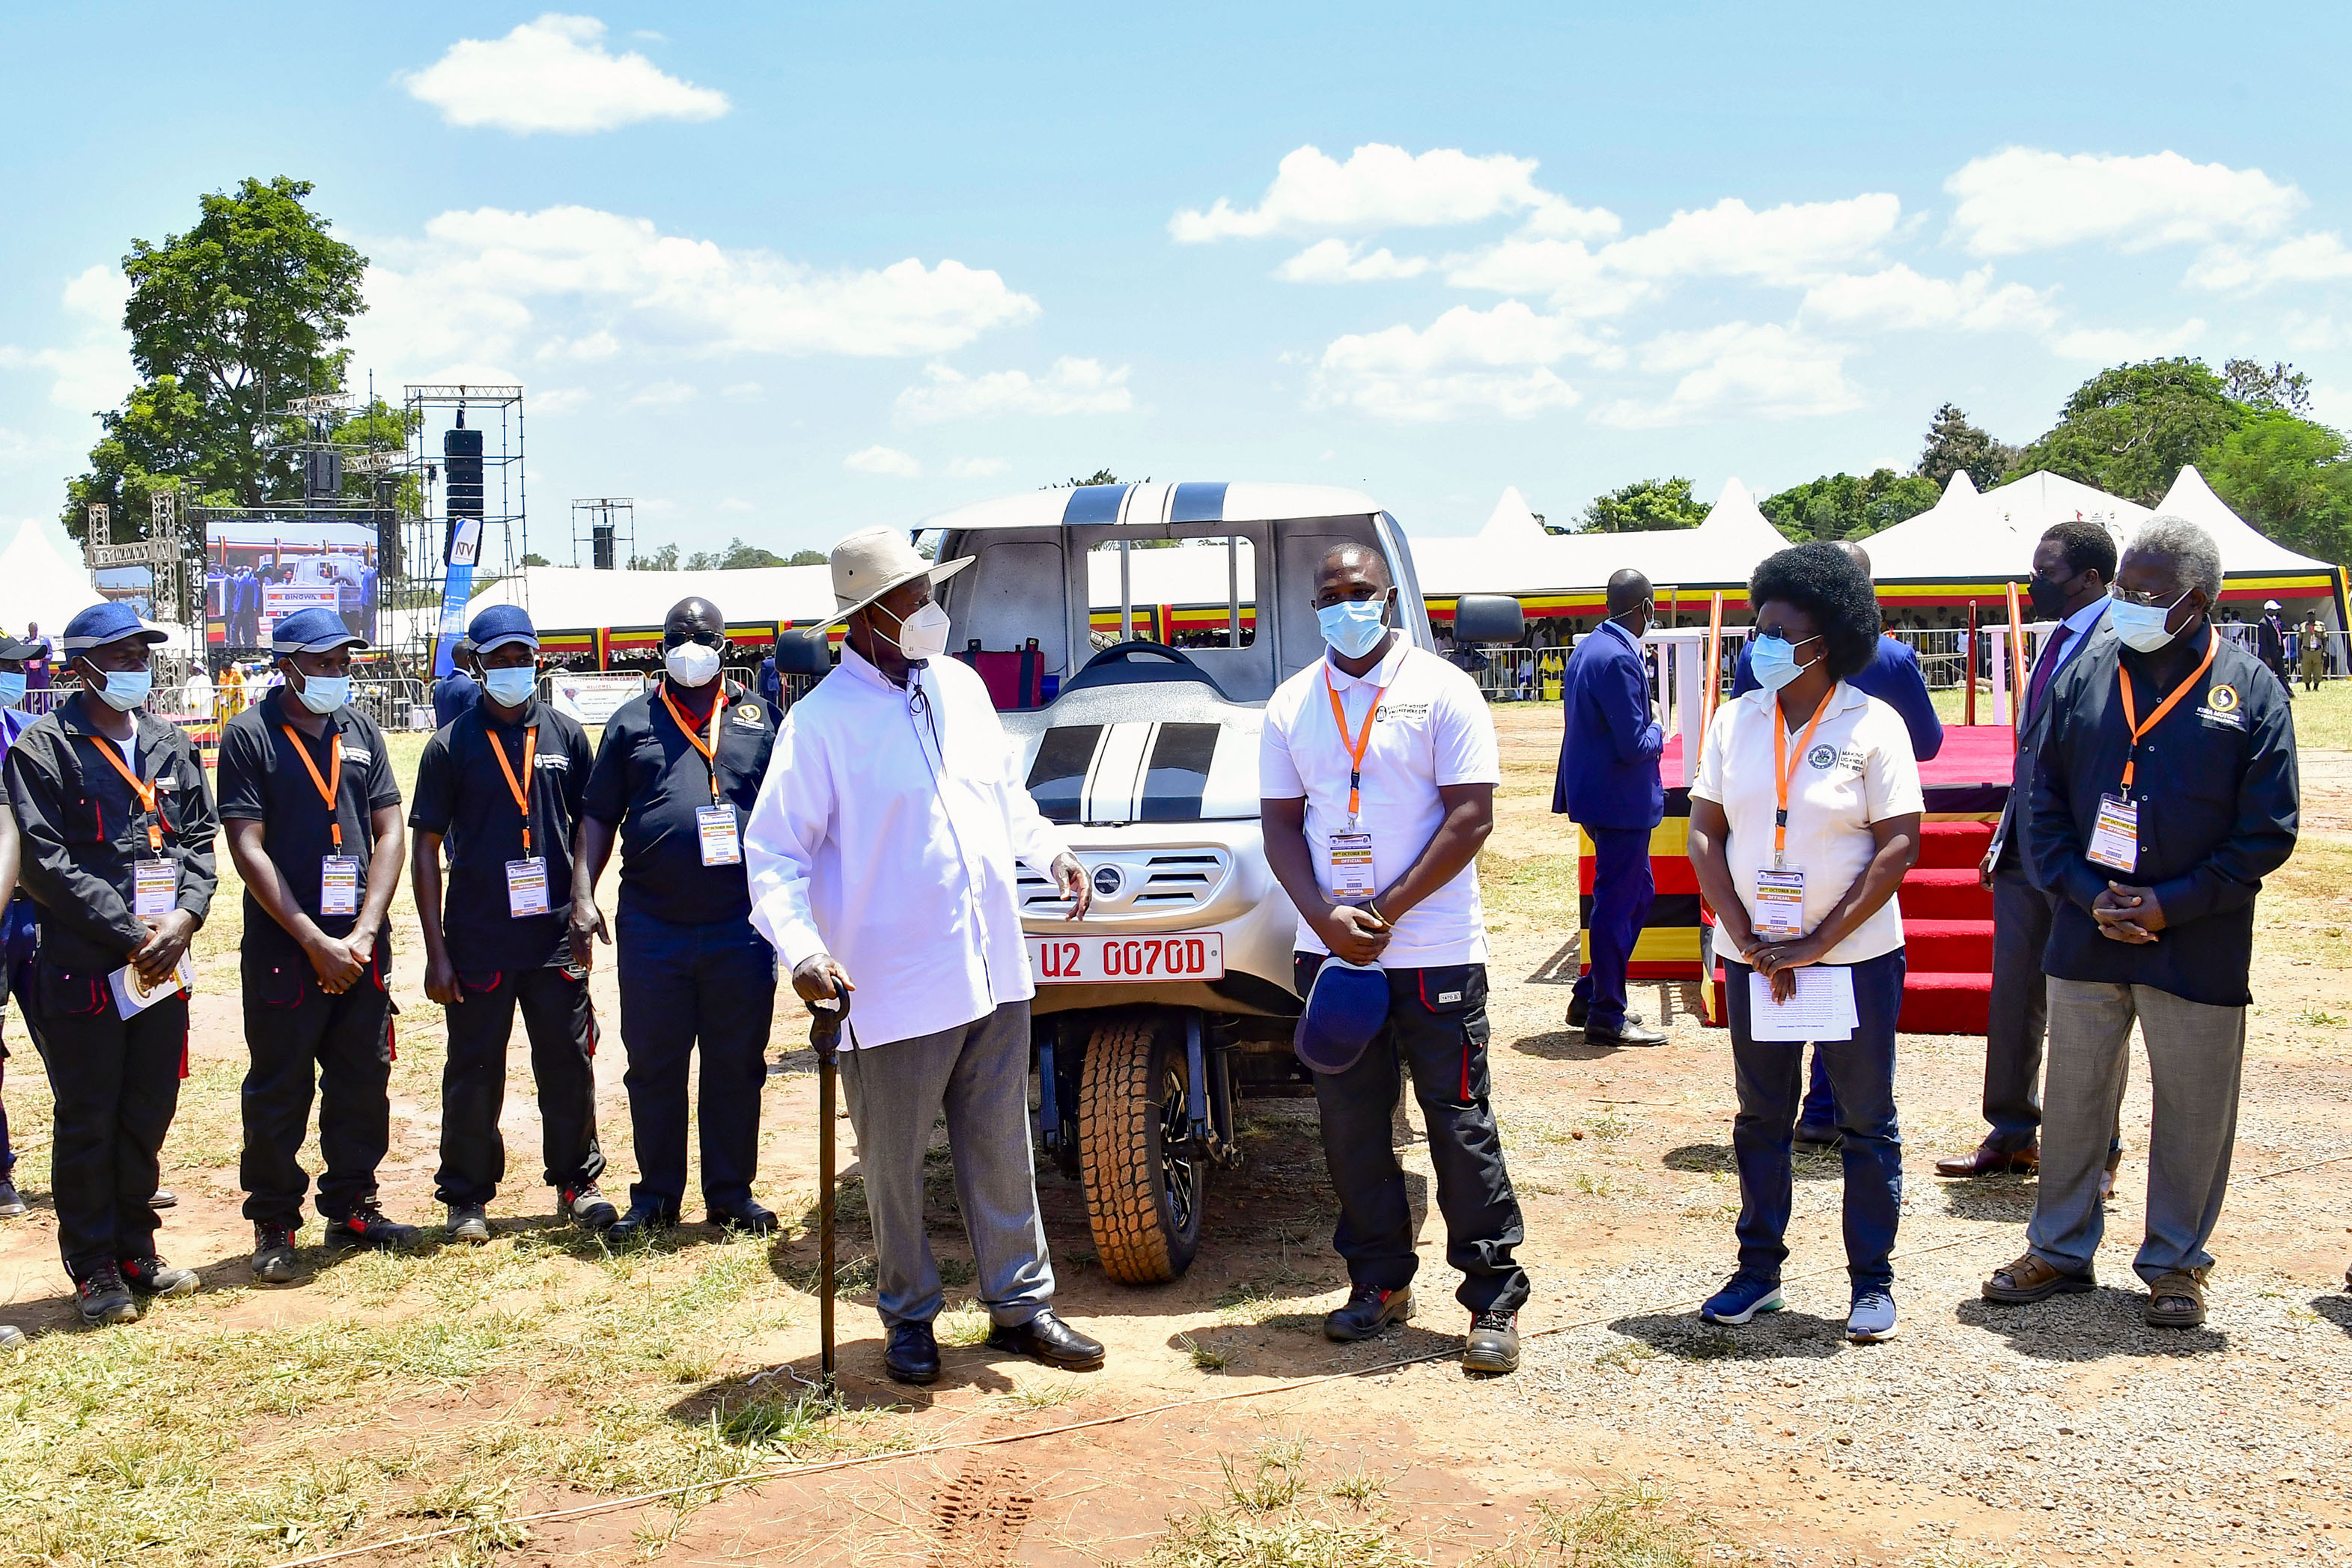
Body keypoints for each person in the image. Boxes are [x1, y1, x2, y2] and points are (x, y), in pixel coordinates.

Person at [745, 526, 1103, 1386]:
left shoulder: (962, 689)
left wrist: (1049, 849)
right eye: (913, 602)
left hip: (989, 967)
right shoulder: (820, 725)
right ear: (866, 618)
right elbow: (775, 855)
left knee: (999, 1142)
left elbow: (1004, 796)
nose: (930, 615)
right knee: (896, 1167)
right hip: (891, 984)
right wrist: (801, 951)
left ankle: (1021, 1304)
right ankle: (909, 1315)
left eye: (930, 597)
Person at [1984, 516, 2297, 1329]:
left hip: (2198, 935)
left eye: (2146, 592)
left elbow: (2267, 830)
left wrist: (2172, 902)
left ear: (2196, 602)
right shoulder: (2084, 673)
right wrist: (2087, 893)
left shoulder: (2251, 690)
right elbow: (2041, 799)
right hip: (2088, 925)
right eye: (2123, 586)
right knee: (2077, 1093)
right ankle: (2058, 1247)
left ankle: (2175, 1263)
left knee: (2194, 1106)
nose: (2126, 602)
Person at [1262, 543, 1529, 1374]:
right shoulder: (1292, 703)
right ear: (1314, 605)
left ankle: (1491, 1297)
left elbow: (1469, 819)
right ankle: (1377, 1282)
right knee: (1350, 1129)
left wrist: (1381, 909)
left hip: (1435, 952)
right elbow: (1278, 826)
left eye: (1361, 592)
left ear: (1389, 598)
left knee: (1458, 1125)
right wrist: (1325, 918)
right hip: (1333, 960)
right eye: (1331, 595)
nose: (1347, 606)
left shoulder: (1442, 691)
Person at [1686, 545, 1922, 1343]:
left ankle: (1872, 1283)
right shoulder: (1734, 718)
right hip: (1756, 961)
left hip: (1852, 962)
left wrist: (1820, 939)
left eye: (1780, 632)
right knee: (1761, 1116)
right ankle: (1758, 1273)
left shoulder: (1873, 723)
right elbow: (1703, 833)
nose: (1763, 645)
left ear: (1827, 643)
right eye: (1759, 629)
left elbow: (1896, 845)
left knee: (1865, 1120)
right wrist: (1745, 934)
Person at [3, 603, 217, 1325]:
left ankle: (137, 1249)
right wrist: (131, 932)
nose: (136, 668)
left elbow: (198, 845)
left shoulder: (168, 742)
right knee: (89, 1117)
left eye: (141, 655)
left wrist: (185, 918)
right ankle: (94, 1266)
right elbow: (43, 862)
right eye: (120, 656)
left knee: (148, 1109)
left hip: (164, 963)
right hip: (88, 966)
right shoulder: (43, 748)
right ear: (82, 666)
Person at [216, 608, 418, 1284]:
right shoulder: (250, 735)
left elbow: (389, 831)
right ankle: (275, 1221)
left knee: (363, 1077)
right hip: (285, 948)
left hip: (361, 945)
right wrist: (312, 939)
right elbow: (247, 846)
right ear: (288, 666)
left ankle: (353, 1203)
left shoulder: (360, 730)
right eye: (324, 663)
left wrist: (362, 931)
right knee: (280, 1084)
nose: (337, 674)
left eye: (343, 663)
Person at [574, 597, 782, 1239]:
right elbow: (597, 816)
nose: (691, 646)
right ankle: (656, 1196)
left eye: (703, 636)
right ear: (660, 646)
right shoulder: (631, 722)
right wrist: (584, 891)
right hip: (652, 926)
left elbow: (791, 812)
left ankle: (730, 1193)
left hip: (740, 926)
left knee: (735, 1062)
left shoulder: (758, 718)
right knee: (655, 1065)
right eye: (678, 636)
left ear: (726, 645)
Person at [409, 604, 615, 1241]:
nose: (512, 667)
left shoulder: (566, 733)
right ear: (474, 664)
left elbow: (589, 824)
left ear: (538, 660)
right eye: (498, 658)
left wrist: (583, 896)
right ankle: (467, 1196)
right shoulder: (450, 746)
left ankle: (577, 1180)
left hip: (554, 935)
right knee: (473, 1067)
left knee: (568, 1061)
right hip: (478, 937)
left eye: (522, 656)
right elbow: (424, 849)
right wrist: (436, 952)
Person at [1733, 541, 1940, 1144]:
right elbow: (1931, 742)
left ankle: (1825, 1111)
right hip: (1780, 898)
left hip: (1847, 878)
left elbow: (1900, 829)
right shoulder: (1895, 658)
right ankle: (1824, 1106)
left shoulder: (1867, 706)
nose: (1765, 641)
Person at [1941, 519, 2121, 1189]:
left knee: (2091, 1004)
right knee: (2014, 998)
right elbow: (2031, 755)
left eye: (2047, 569)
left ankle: (2099, 1149)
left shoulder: (2120, 641)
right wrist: (2006, 833)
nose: (2034, 579)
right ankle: (2013, 1133)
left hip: (2082, 856)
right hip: (2025, 849)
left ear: (2090, 579)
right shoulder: (2055, 639)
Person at [1552, 568, 1669, 1048]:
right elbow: (1634, 742)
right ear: (1644, 608)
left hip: (1597, 794)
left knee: (1636, 893)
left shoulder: (1589, 646)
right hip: (1620, 799)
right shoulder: (1620, 657)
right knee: (1619, 902)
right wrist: (1662, 727)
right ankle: (1607, 1014)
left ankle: (1592, 992)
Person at [0, 635, 40, 1221]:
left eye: (17, 665)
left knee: (76, 1044)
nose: (12, 674)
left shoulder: (34, 733)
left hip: (38, 914)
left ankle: (110, 1166)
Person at [433, 638, 482, 729]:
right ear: (469, 660)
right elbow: (475, 722)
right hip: (463, 741)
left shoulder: (440, 685)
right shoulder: (470, 687)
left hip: (443, 740)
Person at [2256, 600, 2291, 696]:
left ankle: (2288, 693)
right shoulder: (2263, 623)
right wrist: (2266, 657)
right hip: (2269, 655)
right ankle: (2264, 694)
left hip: (2278, 653)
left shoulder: (2275, 621)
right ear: (2268, 610)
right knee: (2267, 676)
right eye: (2274, 610)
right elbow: (2262, 642)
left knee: (2282, 674)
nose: (2276, 612)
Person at [2300, 613, 2328, 693]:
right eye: (2309, 616)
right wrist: (2299, 651)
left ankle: (2316, 687)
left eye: (2312, 615)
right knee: (2306, 669)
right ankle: (2307, 687)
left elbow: (2324, 639)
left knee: (2318, 669)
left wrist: (2325, 651)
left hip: (2317, 650)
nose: (2311, 617)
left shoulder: (2321, 625)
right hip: (2306, 651)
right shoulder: (2303, 626)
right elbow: (2299, 639)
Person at [22, 623, 51, 694]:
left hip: (42, 673)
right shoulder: (26, 642)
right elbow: (21, 656)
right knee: (29, 696)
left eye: (34, 630)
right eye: (31, 631)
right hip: (30, 673)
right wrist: (26, 659)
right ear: (28, 630)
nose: (33, 633)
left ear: (37, 630)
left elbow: (50, 655)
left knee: (43, 697)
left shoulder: (45, 640)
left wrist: (44, 658)